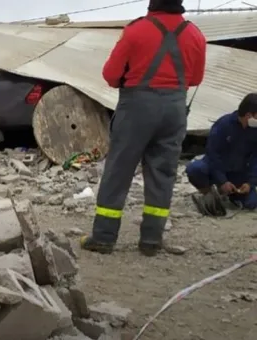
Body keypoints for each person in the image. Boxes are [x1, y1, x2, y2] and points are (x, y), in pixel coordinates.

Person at [80, 0, 207, 257]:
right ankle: (151, 240)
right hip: (174, 109)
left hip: (137, 107)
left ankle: (104, 237)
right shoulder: (195, 34)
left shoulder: (136, 30)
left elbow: (110, 74)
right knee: (163, 174)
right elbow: (195, 79)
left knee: (119, 170)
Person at [186, 93, 257, 210]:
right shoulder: (224, 125)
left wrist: (250, 183)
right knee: (195, 169)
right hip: (217, 169)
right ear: (249, 115)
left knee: (251, 204)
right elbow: (213, 154)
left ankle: (231, 195)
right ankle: (209, 193)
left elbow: (256, 157)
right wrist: (222, 181)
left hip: (238, 173)